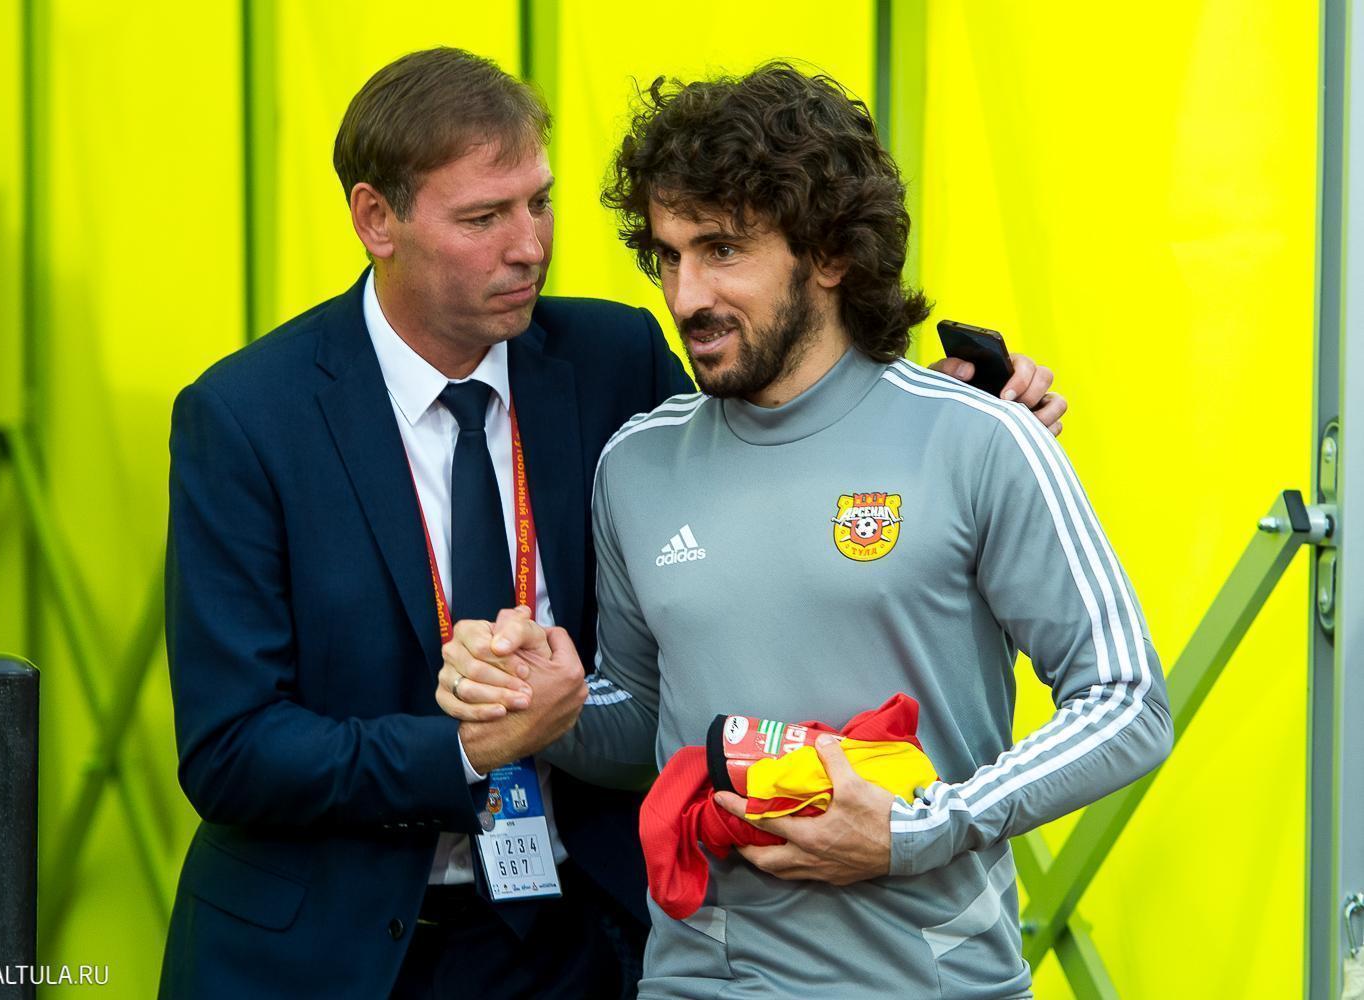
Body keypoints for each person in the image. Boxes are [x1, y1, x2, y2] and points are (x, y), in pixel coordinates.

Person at [159, 48, 1067, 999]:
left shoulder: (612, 359)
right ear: (375, 219)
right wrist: (464, 750)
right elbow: (230, 751)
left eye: (540, 202)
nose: (530, 247)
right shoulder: (248, 419)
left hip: (580, 941)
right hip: (331, 958)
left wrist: (952, 419)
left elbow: (774, 446)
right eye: (484, 218)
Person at [437, 64, 1171, 999]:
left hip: (932, 984)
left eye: (722, 250)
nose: (685, 295)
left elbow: (1126, 702)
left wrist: (917, 829)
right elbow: (644, 724)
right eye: (667, 255)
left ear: (828, 253)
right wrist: (552, 704)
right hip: (694, 984)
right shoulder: (636, 464)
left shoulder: (981, 437)